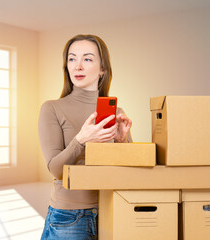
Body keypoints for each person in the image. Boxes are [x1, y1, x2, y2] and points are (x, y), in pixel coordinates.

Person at [38, 34, 133, 240]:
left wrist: (122, 141)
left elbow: (130, 170)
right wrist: (81, 140)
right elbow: (55, 169)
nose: (77, 66)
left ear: (102, 69)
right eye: (72, 59)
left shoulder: (117, 112)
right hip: (70, 217)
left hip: (113, 209)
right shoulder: (52, 108)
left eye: (87, 59)